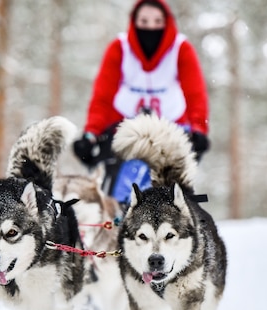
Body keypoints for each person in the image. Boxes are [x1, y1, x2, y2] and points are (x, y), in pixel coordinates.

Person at [73, 0, 210, 202]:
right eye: (144, 21)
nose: (151, 27)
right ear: (134, 22)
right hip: (124, 128)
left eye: (157, 21)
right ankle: (118, 216)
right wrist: (91, 134)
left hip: (170, 128)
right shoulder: (119, 48)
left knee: (169, 185)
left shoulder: (181, 49)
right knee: (118, 186)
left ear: (166, 22)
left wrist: (199, 129)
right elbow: (102, 97)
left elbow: (195, 94)